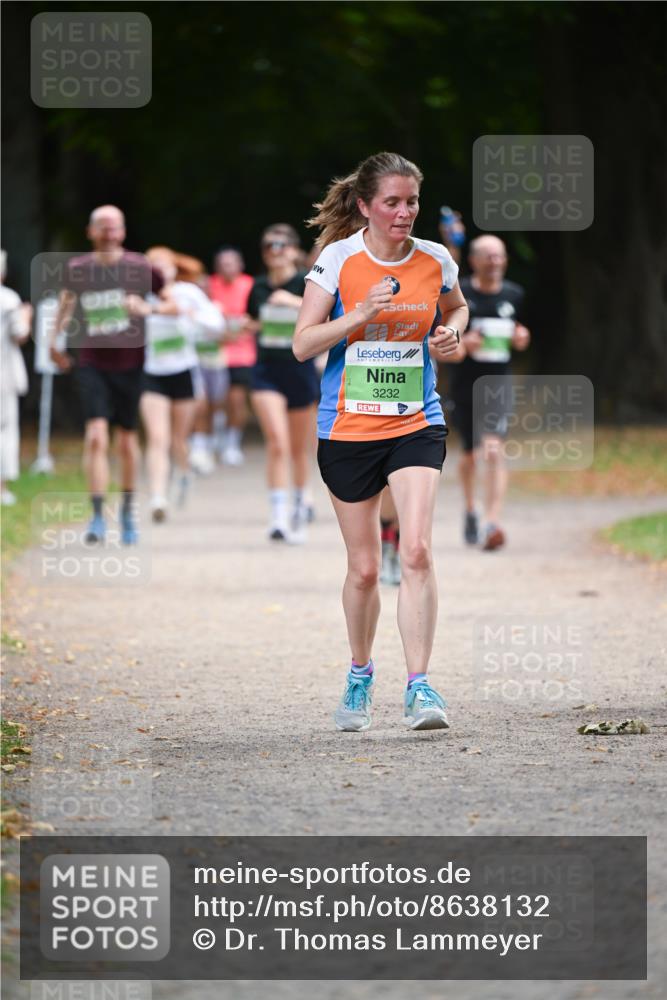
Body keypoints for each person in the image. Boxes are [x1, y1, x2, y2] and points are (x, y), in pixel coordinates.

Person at [293, 151, 468, 732]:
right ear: (365, 205)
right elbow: (302, 343)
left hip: (416, 420)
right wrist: (358, 314)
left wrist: (451, 334)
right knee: (365, 569)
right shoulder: (338, 260)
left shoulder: (435, 258)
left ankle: (420, 687)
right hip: (347, 428)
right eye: (391, 202)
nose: (404, 212)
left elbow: (457, 308)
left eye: (411, 201)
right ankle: (360, 674)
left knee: (415, 550)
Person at [50, 205, 165, 544]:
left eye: (115, 227)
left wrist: (146, 307)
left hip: (131, 362)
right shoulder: (78, 269)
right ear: (91, 232)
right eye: (103, 227)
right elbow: (66, 303)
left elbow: (170, 302)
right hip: (92, 360)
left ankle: (127, 512)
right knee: (97, 436)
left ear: (123, 231)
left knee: (127, 441)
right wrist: (54, 342)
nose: (109, 233)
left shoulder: (140, 267)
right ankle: (98, 515)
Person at [447, 234, 530, 550]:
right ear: (474, 261)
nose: (495, 262)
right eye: (489, 256)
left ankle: (492, 521)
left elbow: (519, 333)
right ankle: (471, 509)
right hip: (464, 384)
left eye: (500, 256)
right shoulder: (461, 292)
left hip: (499, 384)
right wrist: (463, 342)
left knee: (493, 449)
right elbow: (446, 334)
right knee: (469, 455)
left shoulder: (514, 294)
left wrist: (521, 338)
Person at [140, 246, 224, 521]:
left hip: (183, 372)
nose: (159, 270)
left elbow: (217, 325)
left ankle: (184, 472)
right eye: (153, 266)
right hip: (152, 374)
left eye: (164, 265)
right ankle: (157, 497)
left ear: (174, 269)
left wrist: (190, 315)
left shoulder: (188, 293)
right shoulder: (140, 296)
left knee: (179, 439)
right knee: (157, 438)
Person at [248, 224, 319, 543]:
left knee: (297, 449)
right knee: (277, 442)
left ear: (293, 250)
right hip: (266, 371)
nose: (274, 251)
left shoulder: (307, 283)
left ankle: (299, 507)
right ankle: (277, 517)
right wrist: (246, 326)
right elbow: (254, 321)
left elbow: (325, 319)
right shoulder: (258, 286)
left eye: (280, 245)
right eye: (268, 246)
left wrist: (292, 302)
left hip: (299, 370)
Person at [208, 246, 255, 466]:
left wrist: (246, 325)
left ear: (240, 265)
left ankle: (232, 443)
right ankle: (213, 436)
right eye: (222, 264)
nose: (226, 267)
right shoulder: (209, 285)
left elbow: (258, 317)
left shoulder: (250, 285)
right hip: (214, 352)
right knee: (214, 400)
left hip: (242, 353)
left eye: (230, 262)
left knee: (236, 401)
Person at [0, 250, 31, 505]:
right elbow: (19, 334)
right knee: (5, 429)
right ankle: (2, 488)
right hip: (4, 375)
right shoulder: (8, 299)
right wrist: (27, 317)